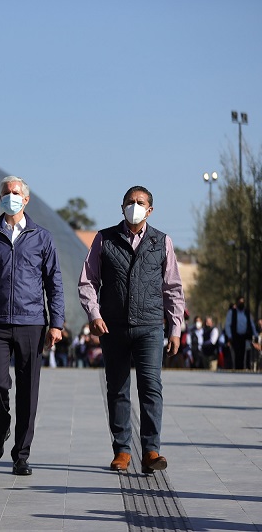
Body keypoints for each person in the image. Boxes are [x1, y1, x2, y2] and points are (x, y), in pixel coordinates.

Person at [78, 185, 185, 474]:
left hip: (150, 326)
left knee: (151, 387)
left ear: (150, 210)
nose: (134, 206)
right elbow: (87, 281)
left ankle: (151, 451)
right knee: (118, 388)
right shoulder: (104, 239)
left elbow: (173, 288)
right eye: (129, 202)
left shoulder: (161, 242)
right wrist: (94, 313)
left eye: (140, 203)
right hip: (113, 327)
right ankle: (122, 451)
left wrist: (175, 328)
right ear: (121, 206)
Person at [0, 175, 65, 476]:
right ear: (0, 198)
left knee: (28, 391)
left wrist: (56, 323)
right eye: (6, 192)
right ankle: (2, 426)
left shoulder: (42, 237)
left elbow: (54, 283)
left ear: (26, 199)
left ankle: (21, 454)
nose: (11, 196)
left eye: (16, 192)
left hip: (31, 322)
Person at [224, 296, 258, 370]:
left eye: (242, 302)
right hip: (235, 337)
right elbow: (227, 325)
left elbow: (251, 324)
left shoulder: (247, 313)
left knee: (244, 354)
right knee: (236, 354)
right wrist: (229, 335)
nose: (241, 304)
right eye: (240, 302)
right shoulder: (232, 312)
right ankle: (236, 368)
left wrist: (255, 334)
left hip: (244, 337)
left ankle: (243, 368)